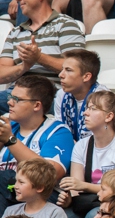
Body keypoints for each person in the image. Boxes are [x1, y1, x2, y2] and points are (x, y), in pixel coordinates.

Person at [0, 0, 84, 104]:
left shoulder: (65, 24)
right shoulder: (15, 32)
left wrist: (39, 58)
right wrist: (24, 67)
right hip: (15, 94)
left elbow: (79, 68)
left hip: (51, 96)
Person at [57, 91, 115, 218]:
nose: (85, 113)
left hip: (114, 204)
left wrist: (84, 186)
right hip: (86, 202)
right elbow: (76, 189)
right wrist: (69, 199)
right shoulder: (82, 145)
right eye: (87, 108)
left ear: (109, 116)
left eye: (93, 109)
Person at [0, 75, 74, 206]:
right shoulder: (7, 123)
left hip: (41, 197)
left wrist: (10, 140)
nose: (9, 102)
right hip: (7, 192)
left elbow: (49, 175)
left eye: (17, 99)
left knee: (4, 177)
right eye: (10, 97)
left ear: (37, 105)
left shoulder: (58, 131)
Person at [54, 50, 106, 143]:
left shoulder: (103, 99)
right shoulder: (61, 95)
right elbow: (61, 131)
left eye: (68, 70)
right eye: (62, 69)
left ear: (86, 77)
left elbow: (102, 140)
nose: (60, 75)